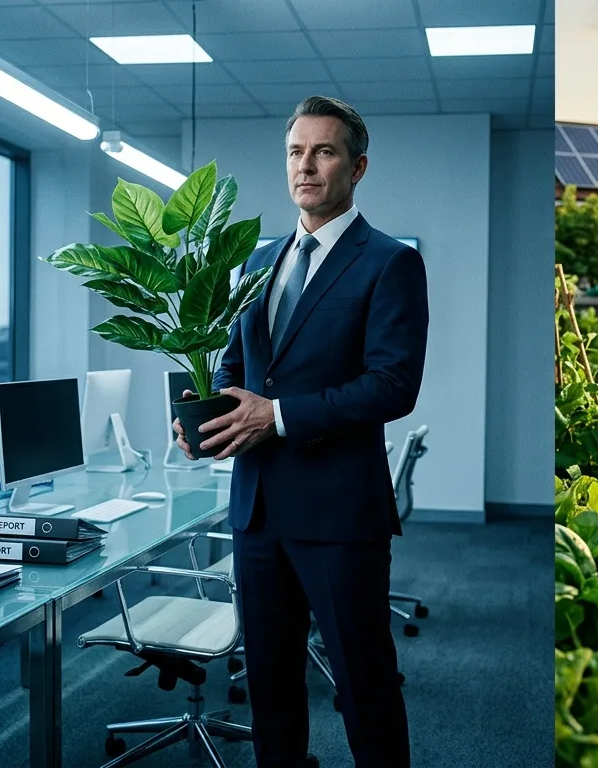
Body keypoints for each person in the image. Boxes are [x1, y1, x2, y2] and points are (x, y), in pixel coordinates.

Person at [173, 95, 427, 767]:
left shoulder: (389, 262)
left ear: (356, 167)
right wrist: (200, 412)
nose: (305, 166)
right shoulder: (259, 261)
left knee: (364, 684)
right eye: (295, 151)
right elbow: (236, 364)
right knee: (270, 685)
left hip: (338, 512)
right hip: (257, 510)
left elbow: (393, 385)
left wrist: (277, 415)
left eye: (324, 152)